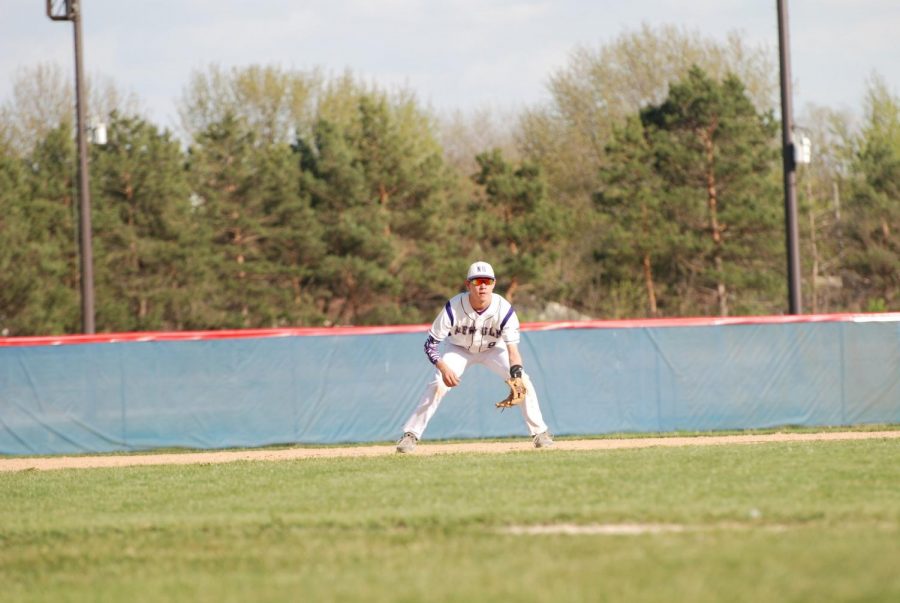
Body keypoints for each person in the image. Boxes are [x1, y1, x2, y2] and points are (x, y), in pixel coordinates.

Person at [396, 261, 554, 453]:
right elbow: (430, 344)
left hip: (493, 349)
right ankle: (410, 435)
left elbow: (513, 351)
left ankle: (540, 434)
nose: (482, 286)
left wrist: (516, 375)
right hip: (458, 348)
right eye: (477, 281)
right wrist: (443, 368)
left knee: (524, 383)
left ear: (494, 284)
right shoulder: (453, 308)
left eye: (487, 281)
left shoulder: (503, 309)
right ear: (468, 284)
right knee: (438, 385)